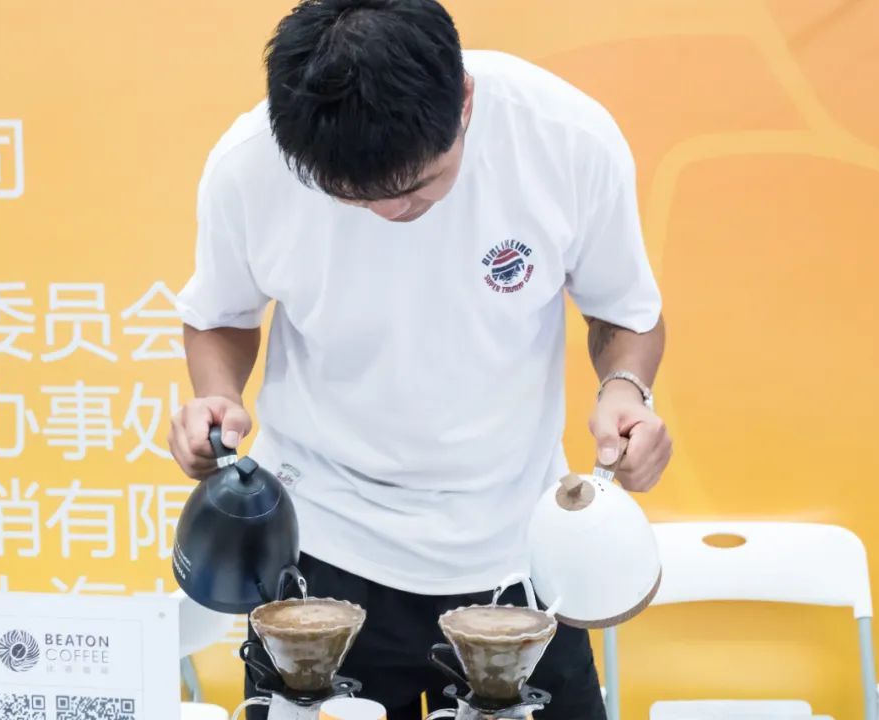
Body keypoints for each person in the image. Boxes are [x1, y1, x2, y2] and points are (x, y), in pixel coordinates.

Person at [169, 1, 671, 718]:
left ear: (464, 100)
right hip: (322, 552)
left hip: (515, 551)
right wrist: (216, 396)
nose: (390, 213)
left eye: (416, 187)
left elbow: (625, 310)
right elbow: (219, 315)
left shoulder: (564, 138)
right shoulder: (249, 165)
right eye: (354, 197)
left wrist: (625, 388)